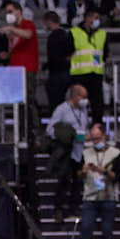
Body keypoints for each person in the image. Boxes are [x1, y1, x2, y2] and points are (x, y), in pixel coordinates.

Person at [76, 122, 120, 239]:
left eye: (98, 138)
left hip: (109, 196)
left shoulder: (115, 153)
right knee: (86, 228)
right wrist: (83, 171)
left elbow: (119, 176)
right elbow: (77, 176)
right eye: (93, 139)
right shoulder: (85, 153)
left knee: (106, 231)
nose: (96, 142)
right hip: (90, 196)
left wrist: (104, 171)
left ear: (104, 136)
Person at [47, 83, 90, 223]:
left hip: (79, 151)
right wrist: (66, 135)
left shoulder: (83, 111)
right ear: (75, 96)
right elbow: (50, 129)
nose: (85, 100)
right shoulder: (62, 109)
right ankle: (58, 209)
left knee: (78, 180)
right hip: (66, 151)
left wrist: (84, 136)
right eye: (83, 97)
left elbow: (84, 128)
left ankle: (74, 207)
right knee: (63, 180)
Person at [0, 2, 38, 114]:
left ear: (18, 11)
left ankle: (32, 129)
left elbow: (28, 34)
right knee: (18, 101)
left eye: (10, 11)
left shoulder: (27, 23)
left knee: (29, 100)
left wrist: (10, 28)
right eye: (7, 12)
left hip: (27, 68)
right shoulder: (14, 29)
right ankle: (21, 128)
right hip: (15, 69)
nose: (8, 14)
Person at [69, 8, 106, 122]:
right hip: (79, 74)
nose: (97, 21)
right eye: (95, 18)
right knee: (78, 103)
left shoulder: (102, 33)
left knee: (97, 104)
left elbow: (103, 53)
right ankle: (78, 129)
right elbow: (68, 52)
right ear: (87, 18)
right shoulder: (74, 32)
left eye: (98, 18)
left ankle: (97, 129)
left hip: (96, 74)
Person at [42, 11, 72, 114]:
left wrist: (45, 67)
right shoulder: (66, 34)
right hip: (66, 72)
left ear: (49, 22)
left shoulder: (53, 37)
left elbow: (53, 56)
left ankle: (56, 124)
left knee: (54, 102)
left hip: (56, 73)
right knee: (61, 100)